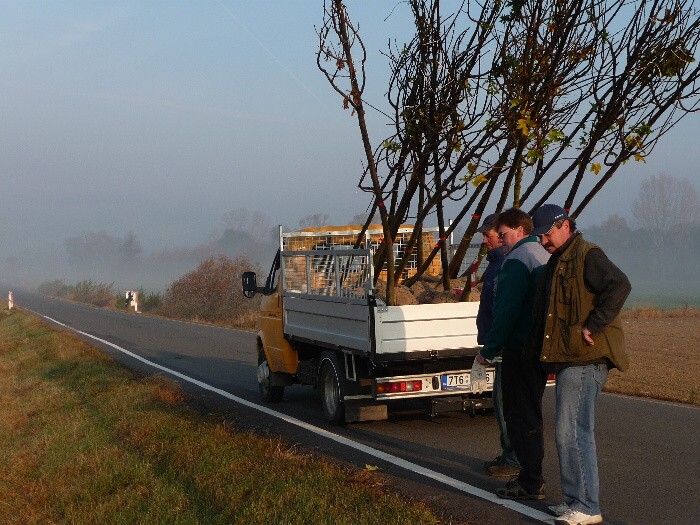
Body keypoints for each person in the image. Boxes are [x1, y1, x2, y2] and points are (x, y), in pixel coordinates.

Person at [529, 204, 631, 525]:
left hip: (588, 356)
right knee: (567, 430)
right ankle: (575, 500)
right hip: (571, 357)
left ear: (564, 225)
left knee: (572, 430)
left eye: (547, 234)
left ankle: (587, 506)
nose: (544, 241)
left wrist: (594, 324)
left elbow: (619, 285)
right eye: (541, 236)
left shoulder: (587, 255)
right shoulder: (559, 261)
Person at [475, 208, 550, 500]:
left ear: (519, 230)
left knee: (519, 415)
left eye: (503, 234)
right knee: (531, 412)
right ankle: (531, 475)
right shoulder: (543, 255)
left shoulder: (518, 258)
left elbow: (506, 312)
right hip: (539, 347)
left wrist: (489, 350)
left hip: (520, 349)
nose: (501, 240)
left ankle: (530, 480)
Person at [474, 213, 520, 478]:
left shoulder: (504, 262)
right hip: (497, 342)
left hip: (504, 345)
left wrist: (493, 344)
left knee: (505, 402)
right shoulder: (495, 262)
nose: (486, 240)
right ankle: (508, 453)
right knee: (500, 400)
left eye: (489, 235)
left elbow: (504, 309)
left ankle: (514, 459)